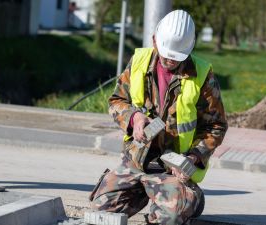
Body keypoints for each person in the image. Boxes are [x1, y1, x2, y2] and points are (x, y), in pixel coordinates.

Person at [90, 10, 228, 225]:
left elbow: (216, 125)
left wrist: (192, 158)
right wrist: (134, 118)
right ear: (155, 40)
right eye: (166, 54)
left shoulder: (201, 75)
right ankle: (149, 191)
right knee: (103, 208)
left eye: (176, 56)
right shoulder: (138, 61)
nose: (170, 60)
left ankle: (191, 197)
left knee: (167, 217)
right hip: (136, 161)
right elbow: (117, 101)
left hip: (172, 169)